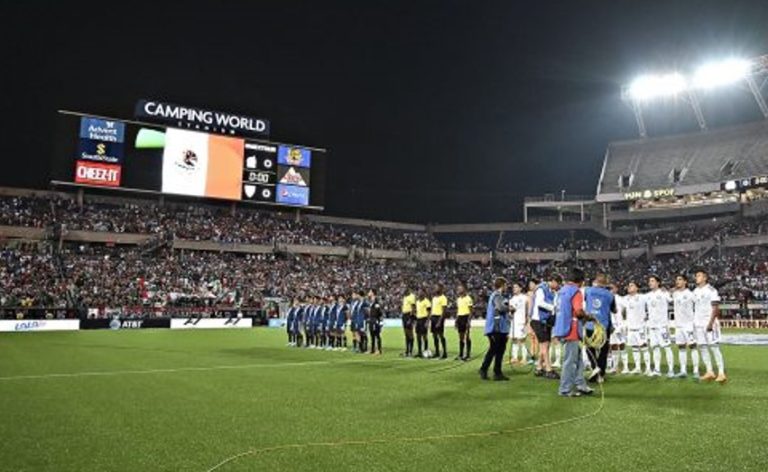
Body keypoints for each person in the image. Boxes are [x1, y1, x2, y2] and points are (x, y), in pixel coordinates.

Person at [553, 268, 594, 397]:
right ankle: (564, 389)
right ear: (580, 281)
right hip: (572, 329)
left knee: (578, 359)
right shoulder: (576, 292)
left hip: (561, 327)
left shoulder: (561, 291)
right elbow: (578, 311)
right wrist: (588, 317)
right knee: (570, 361)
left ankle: (581, 384)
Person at [692, 269, 727, 383]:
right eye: (696, 276)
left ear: (705, 278)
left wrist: (711, 323)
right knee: (702, 347)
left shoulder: (711, 290)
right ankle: (709, 371)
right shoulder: (695, 291)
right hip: (698, 323)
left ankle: (721, 373)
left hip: (709, 322)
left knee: (714, 347)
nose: (696, 277)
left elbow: (716, 308)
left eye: (699, 275)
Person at [584, 273, 615, 383]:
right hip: (603, 326)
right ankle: (600, 374)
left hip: (590, 325)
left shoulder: (588, 290)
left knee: (589, 348)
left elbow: (584, 300)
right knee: (603, 350)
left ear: (596, 281)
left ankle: (594, 367)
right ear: (606, 283)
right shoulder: (610, 295)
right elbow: (614, 310)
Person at [479, 277, 511, 381]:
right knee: (494, 350)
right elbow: (500, 308)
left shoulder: (497, 296)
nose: (506, 287)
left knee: (498, 350)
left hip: (498, 328)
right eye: (505, 285)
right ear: (502, 285)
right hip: (495, 328)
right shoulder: (497, 296)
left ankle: (496, 372)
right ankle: (485, 369)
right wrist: (509, 308)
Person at [530, 275, 560, 379]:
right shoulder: (541, 289)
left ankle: (539, 368)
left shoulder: (552, 291)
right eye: (557, 284)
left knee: (546, 345)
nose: (558, 287)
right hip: (538, 320)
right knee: (544, 345)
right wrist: (553, 308)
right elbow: (539, 303)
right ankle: (548, 369)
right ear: (553, 281)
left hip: (545, 320)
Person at [645, 275, 675, 377]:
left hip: (662, 326)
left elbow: (672, 299)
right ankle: (657, 369)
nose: (650, 283)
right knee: (655, 348)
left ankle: (671, 370)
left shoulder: (663, 293)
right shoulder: (647, 295)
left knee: (666, 347)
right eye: (649, 281)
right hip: (652, 326)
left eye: (652, 281)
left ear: (658, 283)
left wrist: (669, 291)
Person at [672, 274, 698, 378]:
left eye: (680, 279)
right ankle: (683, 370)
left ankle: (696, 371)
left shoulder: (690, 294)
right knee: (681, 347)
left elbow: (698, 306)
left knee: (692, 346)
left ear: (685, 281)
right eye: (676, 279)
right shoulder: (675, 294)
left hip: (688, 325)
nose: (677, 281)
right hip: (678, 325)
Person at [624, 281, 651, 375]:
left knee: (644, 346)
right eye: (629, 285)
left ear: (637, 288)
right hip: (631, 327)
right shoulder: (625, 299)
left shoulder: (642, 297)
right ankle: (638, 367)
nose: (629, 287)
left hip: (640, 327)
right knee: (634, 347)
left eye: (631, 285)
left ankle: (648, 368)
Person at [607, 284, 629, 374]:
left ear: (616, 289)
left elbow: (628, 310)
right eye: (609, 288)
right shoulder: (607, 298)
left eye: (612, 288)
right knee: (613, 346)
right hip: (611, 326)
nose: (610, 290)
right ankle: (614, 367)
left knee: (622, 345)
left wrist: (624, 323)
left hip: (619, 326)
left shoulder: (620, 299)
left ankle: (626, 367)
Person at [508, 282, 529, 365]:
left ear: (520, 288)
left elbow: (527, 310)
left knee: (522, 340)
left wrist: (527, 322)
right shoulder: (511, 299)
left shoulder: (525, 298)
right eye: (513, 287)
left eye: (516, 287)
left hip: (521, 322)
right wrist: (510, 313)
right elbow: (510, 311)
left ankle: (524, 359)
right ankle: (515, 358)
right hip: (514, 322)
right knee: (514, 339)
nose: (514, 289)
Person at [455, 282, 473, 361]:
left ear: (464, 289)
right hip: (460, 317)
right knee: (461, 337)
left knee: (467, 336)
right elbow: (458, 310)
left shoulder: (468, 298)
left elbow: (471, 311)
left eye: (460, 288)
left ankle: (468, 354)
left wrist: (469, 321)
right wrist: (456, 320)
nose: (458, 290)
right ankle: (461, 354)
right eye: (458, 288)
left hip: (466, 317)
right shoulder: (458, 299)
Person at [430, 285, 448, 359]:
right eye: (435, 287)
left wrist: (440, 321)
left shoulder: (443, 298)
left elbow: (444, 311)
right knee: (434, 336)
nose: (435, 289)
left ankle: (444, 352)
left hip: (439, 317)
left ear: (441, 289)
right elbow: (432, 309)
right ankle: (437, 352)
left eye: (437, 288)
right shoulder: (434, 298)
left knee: (441, 335)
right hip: (433, 317)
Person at [415, 289, 432, 358]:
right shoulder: (417, 302)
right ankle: (419, 351)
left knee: (424, 336)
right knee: (418, 336)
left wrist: (427, 321)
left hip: (424, 319)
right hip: (418, 319)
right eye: (418, 292)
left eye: (421, 292)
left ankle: (425, 351)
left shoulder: (427, 301)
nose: (419, 293)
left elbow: (429, 312)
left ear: (424, 293)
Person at [401, 288, 417, 357]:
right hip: (404, 315)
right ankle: (407, 350)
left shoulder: (412, 296)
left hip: (409, 315)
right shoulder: (405, 297)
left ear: (408, 290)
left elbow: (413, 308)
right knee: (406, 334)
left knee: (410, 333)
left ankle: (410, 351)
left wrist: (411, 318)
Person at [367, 288, 383, 355]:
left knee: (377, 335)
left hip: (375, 320)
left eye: (370, 291)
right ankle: (372, 349)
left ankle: (379, 350)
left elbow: (379, 312)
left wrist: (379, 320)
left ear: (373, 293)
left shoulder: (377, 301)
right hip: (371, 320)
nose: (368, 293)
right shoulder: (371, 301)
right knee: (372, 335)